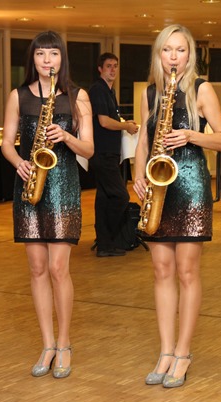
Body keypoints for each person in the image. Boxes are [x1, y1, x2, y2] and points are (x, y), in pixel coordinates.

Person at [133, 24, 221, 388]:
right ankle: (165, 351)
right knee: (161, 270)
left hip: (190, 185)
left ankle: (183, 353)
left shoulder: (201, 89)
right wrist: (138, 175)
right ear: (158, 55)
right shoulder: (150, 92)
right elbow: (143, 140)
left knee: (187, 272)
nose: (173, 57)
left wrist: (190, 135)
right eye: (167, 50)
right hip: (158, 185)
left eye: (181, 50)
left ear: (190, 55)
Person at [1, 31, 93, 379]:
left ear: (61, 59)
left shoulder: (78, 96)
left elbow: (89, 149)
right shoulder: (18, 95)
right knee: (37, 269)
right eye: (40, 54)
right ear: (33, 59)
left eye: (53, 54)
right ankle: (47, 344)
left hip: (63, 187)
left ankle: (65, 343)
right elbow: (7, 144)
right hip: (29, 187)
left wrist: (66, 136)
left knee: (58, 269)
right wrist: (18, 162)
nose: (47, 60)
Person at [88, 52, 138, 257]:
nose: (113, 70)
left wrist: (124, 123)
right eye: (108, 66)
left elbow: (110, 119)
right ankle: (109, 237)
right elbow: (104, 122)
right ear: (100, 69)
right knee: (120, 195)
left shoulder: (110, 91)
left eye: (115, 66)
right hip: (102, 153)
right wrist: (126, 126)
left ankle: (105, 244)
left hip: (108, 152)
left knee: (105, 198)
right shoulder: (98, 89)